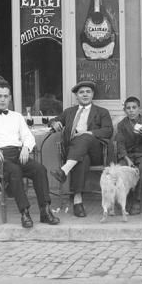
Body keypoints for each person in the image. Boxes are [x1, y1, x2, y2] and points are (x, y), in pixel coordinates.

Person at [0, 83, 61, 228]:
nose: (2, 99)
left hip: (18, 154)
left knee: (39, 169)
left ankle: (45, 211)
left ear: (10, 98)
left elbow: (27, 136)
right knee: (15, 171)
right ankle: (24, 212)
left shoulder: (17, 117)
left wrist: (26, 148)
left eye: (5, 96)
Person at [49, 80, 113, 218]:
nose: (85, 95)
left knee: (84, 137)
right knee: (82, 159)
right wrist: (55, 123)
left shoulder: (102, 112)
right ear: (76, 96)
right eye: (81, 92)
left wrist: (90, 133)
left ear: (92, 95)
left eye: (88, 92)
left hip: (96, 151)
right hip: (74, 153)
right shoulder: (69, 112)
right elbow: (53, 120)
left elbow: (108, 131)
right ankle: (78, 201)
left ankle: (64, 170)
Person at [114, 96, 142, 214]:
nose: (131, 110)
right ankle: (126, 198)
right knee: (122, 169)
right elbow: (120, 144)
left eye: (134, 107)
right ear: (125, 110)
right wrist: (127, 159)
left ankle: (137, 200)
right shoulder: (122, 125)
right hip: (128, 155)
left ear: (139, 109)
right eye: (128, 108)